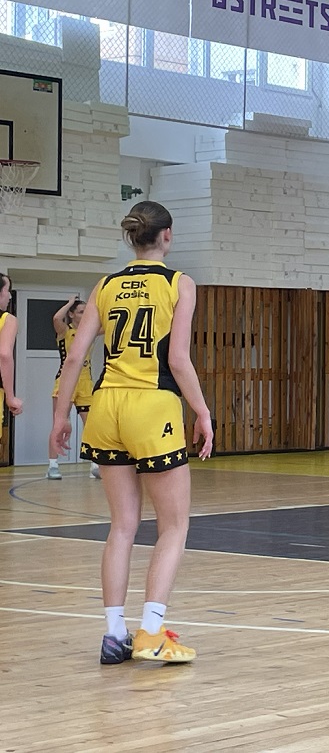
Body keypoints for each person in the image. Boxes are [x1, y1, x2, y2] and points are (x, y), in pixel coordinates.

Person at [50, 201, 214, 665]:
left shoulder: (105, 285)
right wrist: (202, 411)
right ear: (168, 235)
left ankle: (113, 634)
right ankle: (151, 631)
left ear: (131, 237)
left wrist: (60, 417)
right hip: (152, 406)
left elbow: (76, 356)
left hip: (106, 406)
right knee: (173, 525)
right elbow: (177, 359)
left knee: (122, 526)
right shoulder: (179, 283)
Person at [47, 295, 100, 480]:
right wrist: (70, 302)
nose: (84, 315)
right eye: (80, 312)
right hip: (65, 381)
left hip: (85, 382)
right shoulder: (64, 330)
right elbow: (56, 318)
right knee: (59, 423)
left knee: (92, 424)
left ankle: (94, 464)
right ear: (71, 314)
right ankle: (52, 465)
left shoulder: (90, 331)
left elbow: (109, 323)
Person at [0, 274, 24, 456]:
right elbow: (4, 354)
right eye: (7, 290)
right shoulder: (7, 319)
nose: (9, 296)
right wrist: (11, 396)